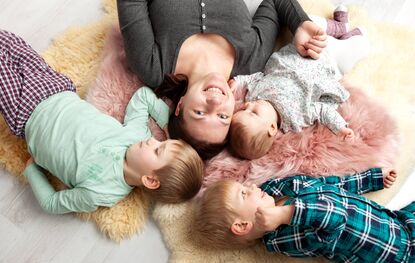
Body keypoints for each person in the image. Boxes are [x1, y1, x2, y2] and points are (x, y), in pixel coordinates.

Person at [0, 23, 204, 213]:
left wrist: (32, 171)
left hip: (26, 113)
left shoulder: (102, 192)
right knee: (8, 43)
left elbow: (52, 203)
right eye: (161, 142)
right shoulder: (136, 135)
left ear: (150, 180)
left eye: (157, 150)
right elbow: (144, 97)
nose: (152, 140)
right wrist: (167, 125)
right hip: (55, 88)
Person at [117, 0, 328, 159]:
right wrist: (300, 24)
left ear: (180, 105)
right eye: (223, 116)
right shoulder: (252, 60)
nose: (215, 103)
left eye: (199, 112)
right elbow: (273, 2)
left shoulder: (152, 66)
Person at [195, 168, 415, 263]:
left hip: (400, 223)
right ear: (242, 225)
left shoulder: (278, 188)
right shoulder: (284, 240)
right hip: (410, 260)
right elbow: (335, 217)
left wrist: (369, 179)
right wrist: (284, 215)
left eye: (244, 185)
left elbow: (333, 187)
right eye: (243, 193)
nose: (250, 186)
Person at [229, 8, 369, 159]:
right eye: (253, 113)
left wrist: (237, 82)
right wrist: (340, 128)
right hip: (327, 64)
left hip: (302, 49)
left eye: (243, 108)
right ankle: (348, 37)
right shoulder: (295, 118)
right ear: (272, 127)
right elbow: (321, 110)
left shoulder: (254, 95)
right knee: (358, 48)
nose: (249, 105)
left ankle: (338, 28)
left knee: (309, 22)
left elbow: (253, 77)